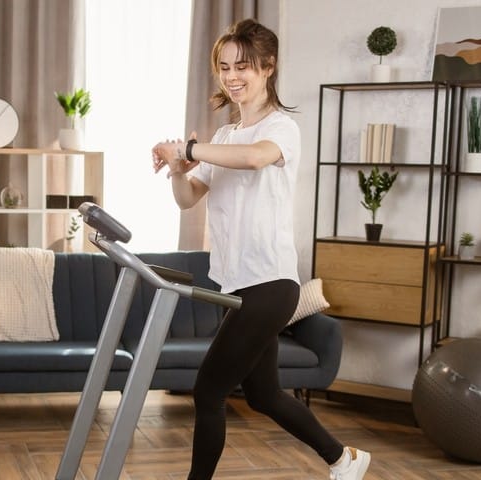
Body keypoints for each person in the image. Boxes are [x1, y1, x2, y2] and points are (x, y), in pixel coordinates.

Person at [151, 18, 370, 480]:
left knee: (208, 391)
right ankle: (343, 459)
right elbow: (190, 198)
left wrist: (189, 146)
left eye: (243, 66)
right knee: (263, 395)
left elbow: (254, 160)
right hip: (241, 285)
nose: (231, 77)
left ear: (267, 68)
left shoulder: (280, 129)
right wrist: (176, 168)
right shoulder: (226, 137)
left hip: (270, 284)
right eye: (224, 67)